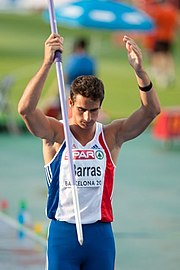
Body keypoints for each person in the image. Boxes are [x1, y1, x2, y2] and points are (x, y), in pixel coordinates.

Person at [18, 33, 160, 270]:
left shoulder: (110, 136)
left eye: (94, 111)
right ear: (70, 103)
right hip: (64, 235)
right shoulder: (56, 134)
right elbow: (25, 110)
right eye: (82, 109)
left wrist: (140, 71)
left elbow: (151, 111)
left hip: (100, 235)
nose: (87, 117)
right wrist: (46, 64)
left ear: (100, 107)